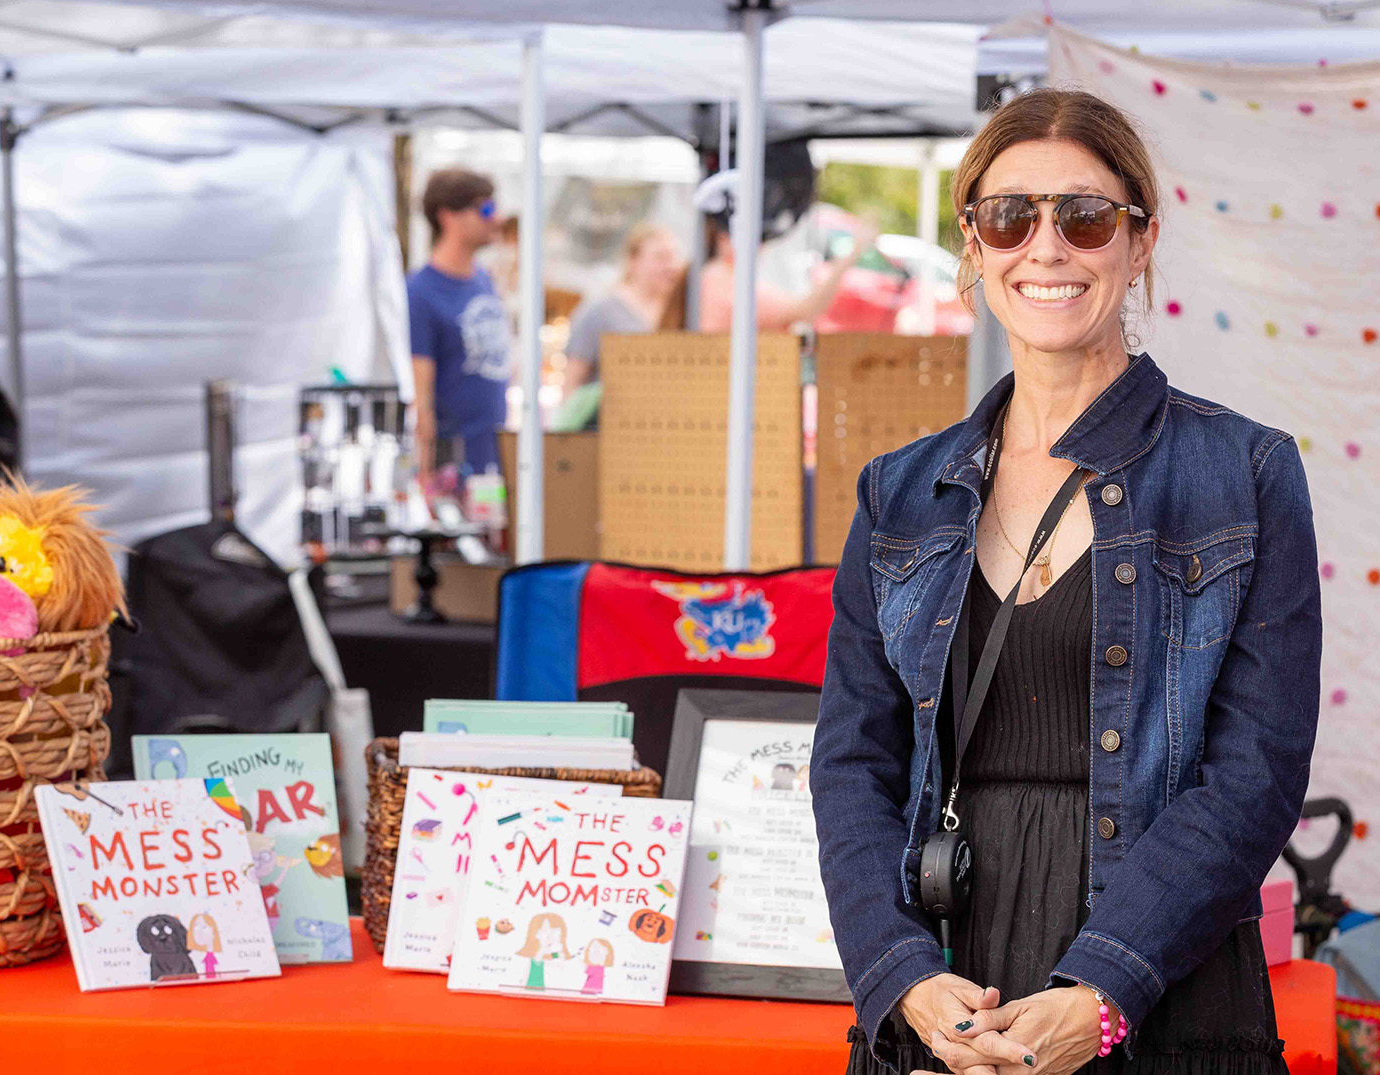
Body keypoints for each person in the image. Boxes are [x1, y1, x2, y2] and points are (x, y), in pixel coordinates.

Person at [810, 87, 1321, 1075]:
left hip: (1158, 971)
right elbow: (851, 766)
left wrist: (1105, 989)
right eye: (1009, 216)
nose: (1044, 248)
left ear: (1139, 243)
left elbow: (1255, 773)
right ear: (972, 245)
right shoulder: (899, 491)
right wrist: (900, 975)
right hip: (947, 983)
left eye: (1084, 217)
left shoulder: (1244, 473)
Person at [408, 168, 513, 477]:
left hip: (492, 456)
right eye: (485, 209)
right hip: (451, 467)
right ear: (448, 216)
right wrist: (424, 475)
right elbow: (420, 394)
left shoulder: (484, 279)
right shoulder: (420, 292)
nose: (495, 218)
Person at [696, 206, 874, 333]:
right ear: (726, 237)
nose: (762, 244)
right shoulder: (725, 283)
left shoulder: (712, 276)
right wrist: (851, 255)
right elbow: (806, 310)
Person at [561, 224, 686, 399]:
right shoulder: (600, 311)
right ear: (633, 261)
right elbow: (572, 382)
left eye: (674, 257)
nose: (671, 266)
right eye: (661, 258)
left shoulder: (681, 310)